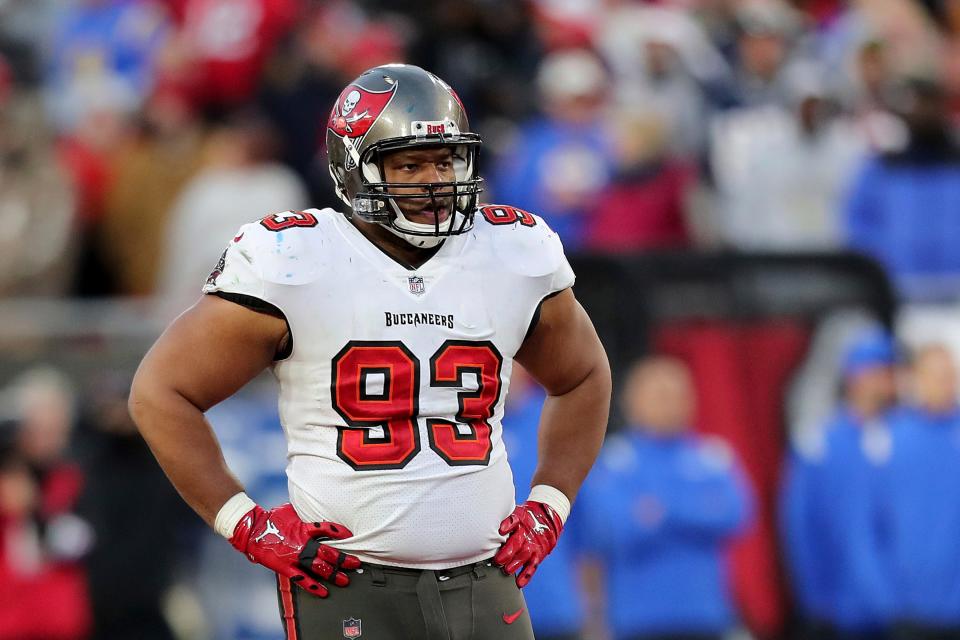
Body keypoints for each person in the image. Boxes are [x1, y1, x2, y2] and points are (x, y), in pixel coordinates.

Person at [129, 63, 611, 640]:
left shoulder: (512, 250)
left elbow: (583, 376)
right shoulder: (295, 259)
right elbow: (161, 393)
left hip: (487, 583)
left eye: (446, 160)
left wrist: (550, 503)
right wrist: (246, 524)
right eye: (409, 164)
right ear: (352, 167)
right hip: (349, 584)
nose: (435, 181)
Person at [576, 356, 753, 640]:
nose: (671, 403)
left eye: (678, 394)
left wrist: (663, 512)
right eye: (660, 395)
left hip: (707, 616)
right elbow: (614, 528)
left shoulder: (712, 455)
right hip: (638, 620)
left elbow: (735, 514)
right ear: (632, 402)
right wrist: (696, 510)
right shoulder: (613, 461)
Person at [780, 328, 898, 639]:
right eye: (873, 372)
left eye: (887, 372)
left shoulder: (905, 439)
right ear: (852, 376)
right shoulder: (821, 443)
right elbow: (802, 524)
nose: (881, 382)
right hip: (844, 604)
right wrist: (817, 596)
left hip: (907, 603)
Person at [881, 344, 960, 639]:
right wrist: (885, 592)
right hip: (908, 608)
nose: (945, 384)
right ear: (917, 379)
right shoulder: (891, 439)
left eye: (950, 375)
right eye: (936, 375)